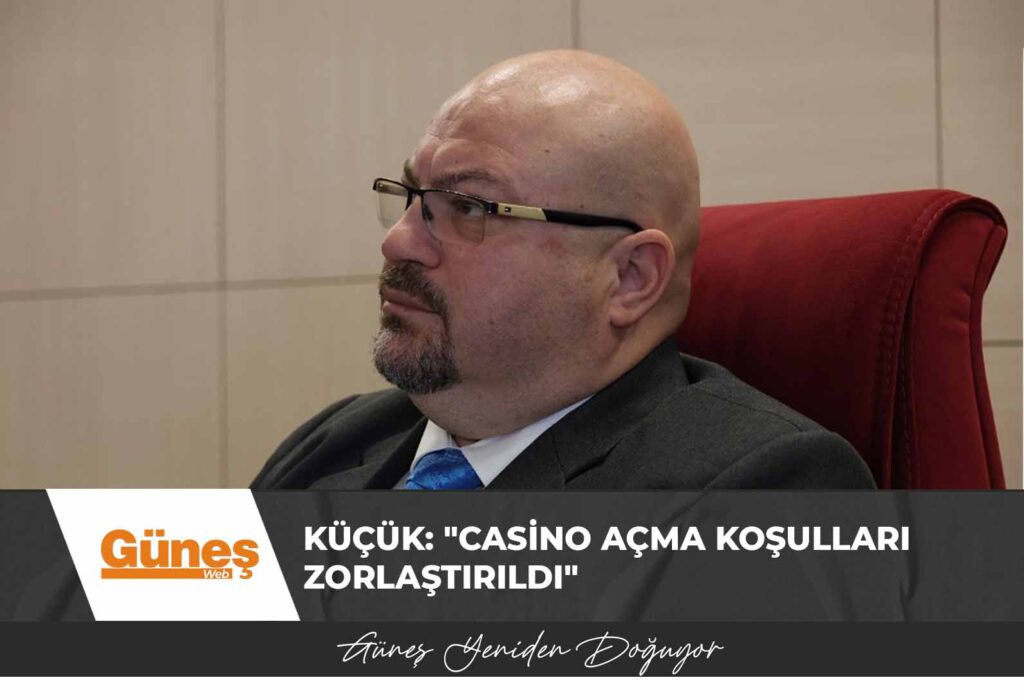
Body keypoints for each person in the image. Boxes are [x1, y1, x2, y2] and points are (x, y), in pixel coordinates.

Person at [252, 50, 874, 490]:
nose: (398, 243)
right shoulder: (335, 441)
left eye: (468, 207)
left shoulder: (765, 486)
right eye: (413, 197)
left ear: (630, 278)